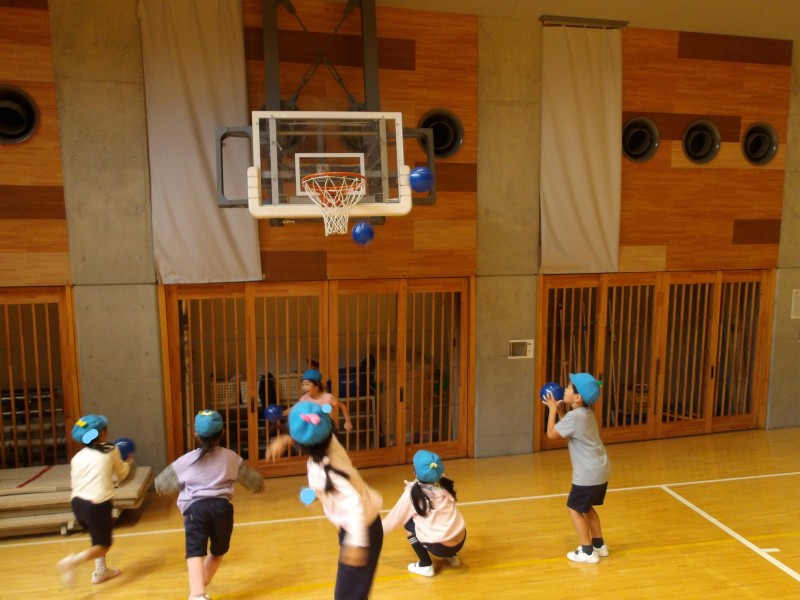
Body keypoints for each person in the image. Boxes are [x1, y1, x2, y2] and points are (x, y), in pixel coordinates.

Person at [267, 401, 382, 599]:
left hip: (361, 530)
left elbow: (353, 502)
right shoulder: (332, 443)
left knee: (347, 596)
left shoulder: (323, 472)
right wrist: (287, 439)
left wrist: (356, 542)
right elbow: (316, 431)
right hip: (361, 526)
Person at [154, 409, 264, 600]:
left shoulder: (187, 460)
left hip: (195, 509)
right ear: (222, 433)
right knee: (218, 550)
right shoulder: (230, 456)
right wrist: (258, 487)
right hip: (222, 509)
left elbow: (161, 483)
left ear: (196, 435)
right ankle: (200, 586)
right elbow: (253, 480)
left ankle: (197, 592)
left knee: (195, 551)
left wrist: (166, 488)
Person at [57, 414, 135, 587]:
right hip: (97, 503)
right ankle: (73, 562)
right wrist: (128, 462)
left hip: (77, 504)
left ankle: (101, 571)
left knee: (96, 537)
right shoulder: (111, 450)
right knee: (103, 545)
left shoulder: (77, 458)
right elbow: (122, 474)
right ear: (102, 434)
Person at [544, 372, 611, 564]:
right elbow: (570, 427)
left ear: (577, 397)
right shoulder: (586, 414)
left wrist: (550, 409)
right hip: (601, 470)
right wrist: (560, 412)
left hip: (588, 474)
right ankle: (599, 545)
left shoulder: (575, 417)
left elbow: (551, 434)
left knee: (574, 508)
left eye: (568, 387)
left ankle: (588, 551)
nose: (564, 389)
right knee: (587, 508)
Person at [382, 450, 466, 577]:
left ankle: (425, 564)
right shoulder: (445, 482)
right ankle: (452, 557)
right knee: (442, 518)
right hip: (461, 539)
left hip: (440, 546)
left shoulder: (412, 494)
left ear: (415, 471)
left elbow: (393, 519)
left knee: (407, 521)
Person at [297, 368, 353, 433]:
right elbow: (295, 410)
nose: (304, 387)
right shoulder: (304, 399)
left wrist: (348, 421)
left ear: (317, 385)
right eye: (303, 385)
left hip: (329, 430)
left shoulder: (328, 398)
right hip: (312, 432)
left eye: (307, 384)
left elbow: (342, 406)